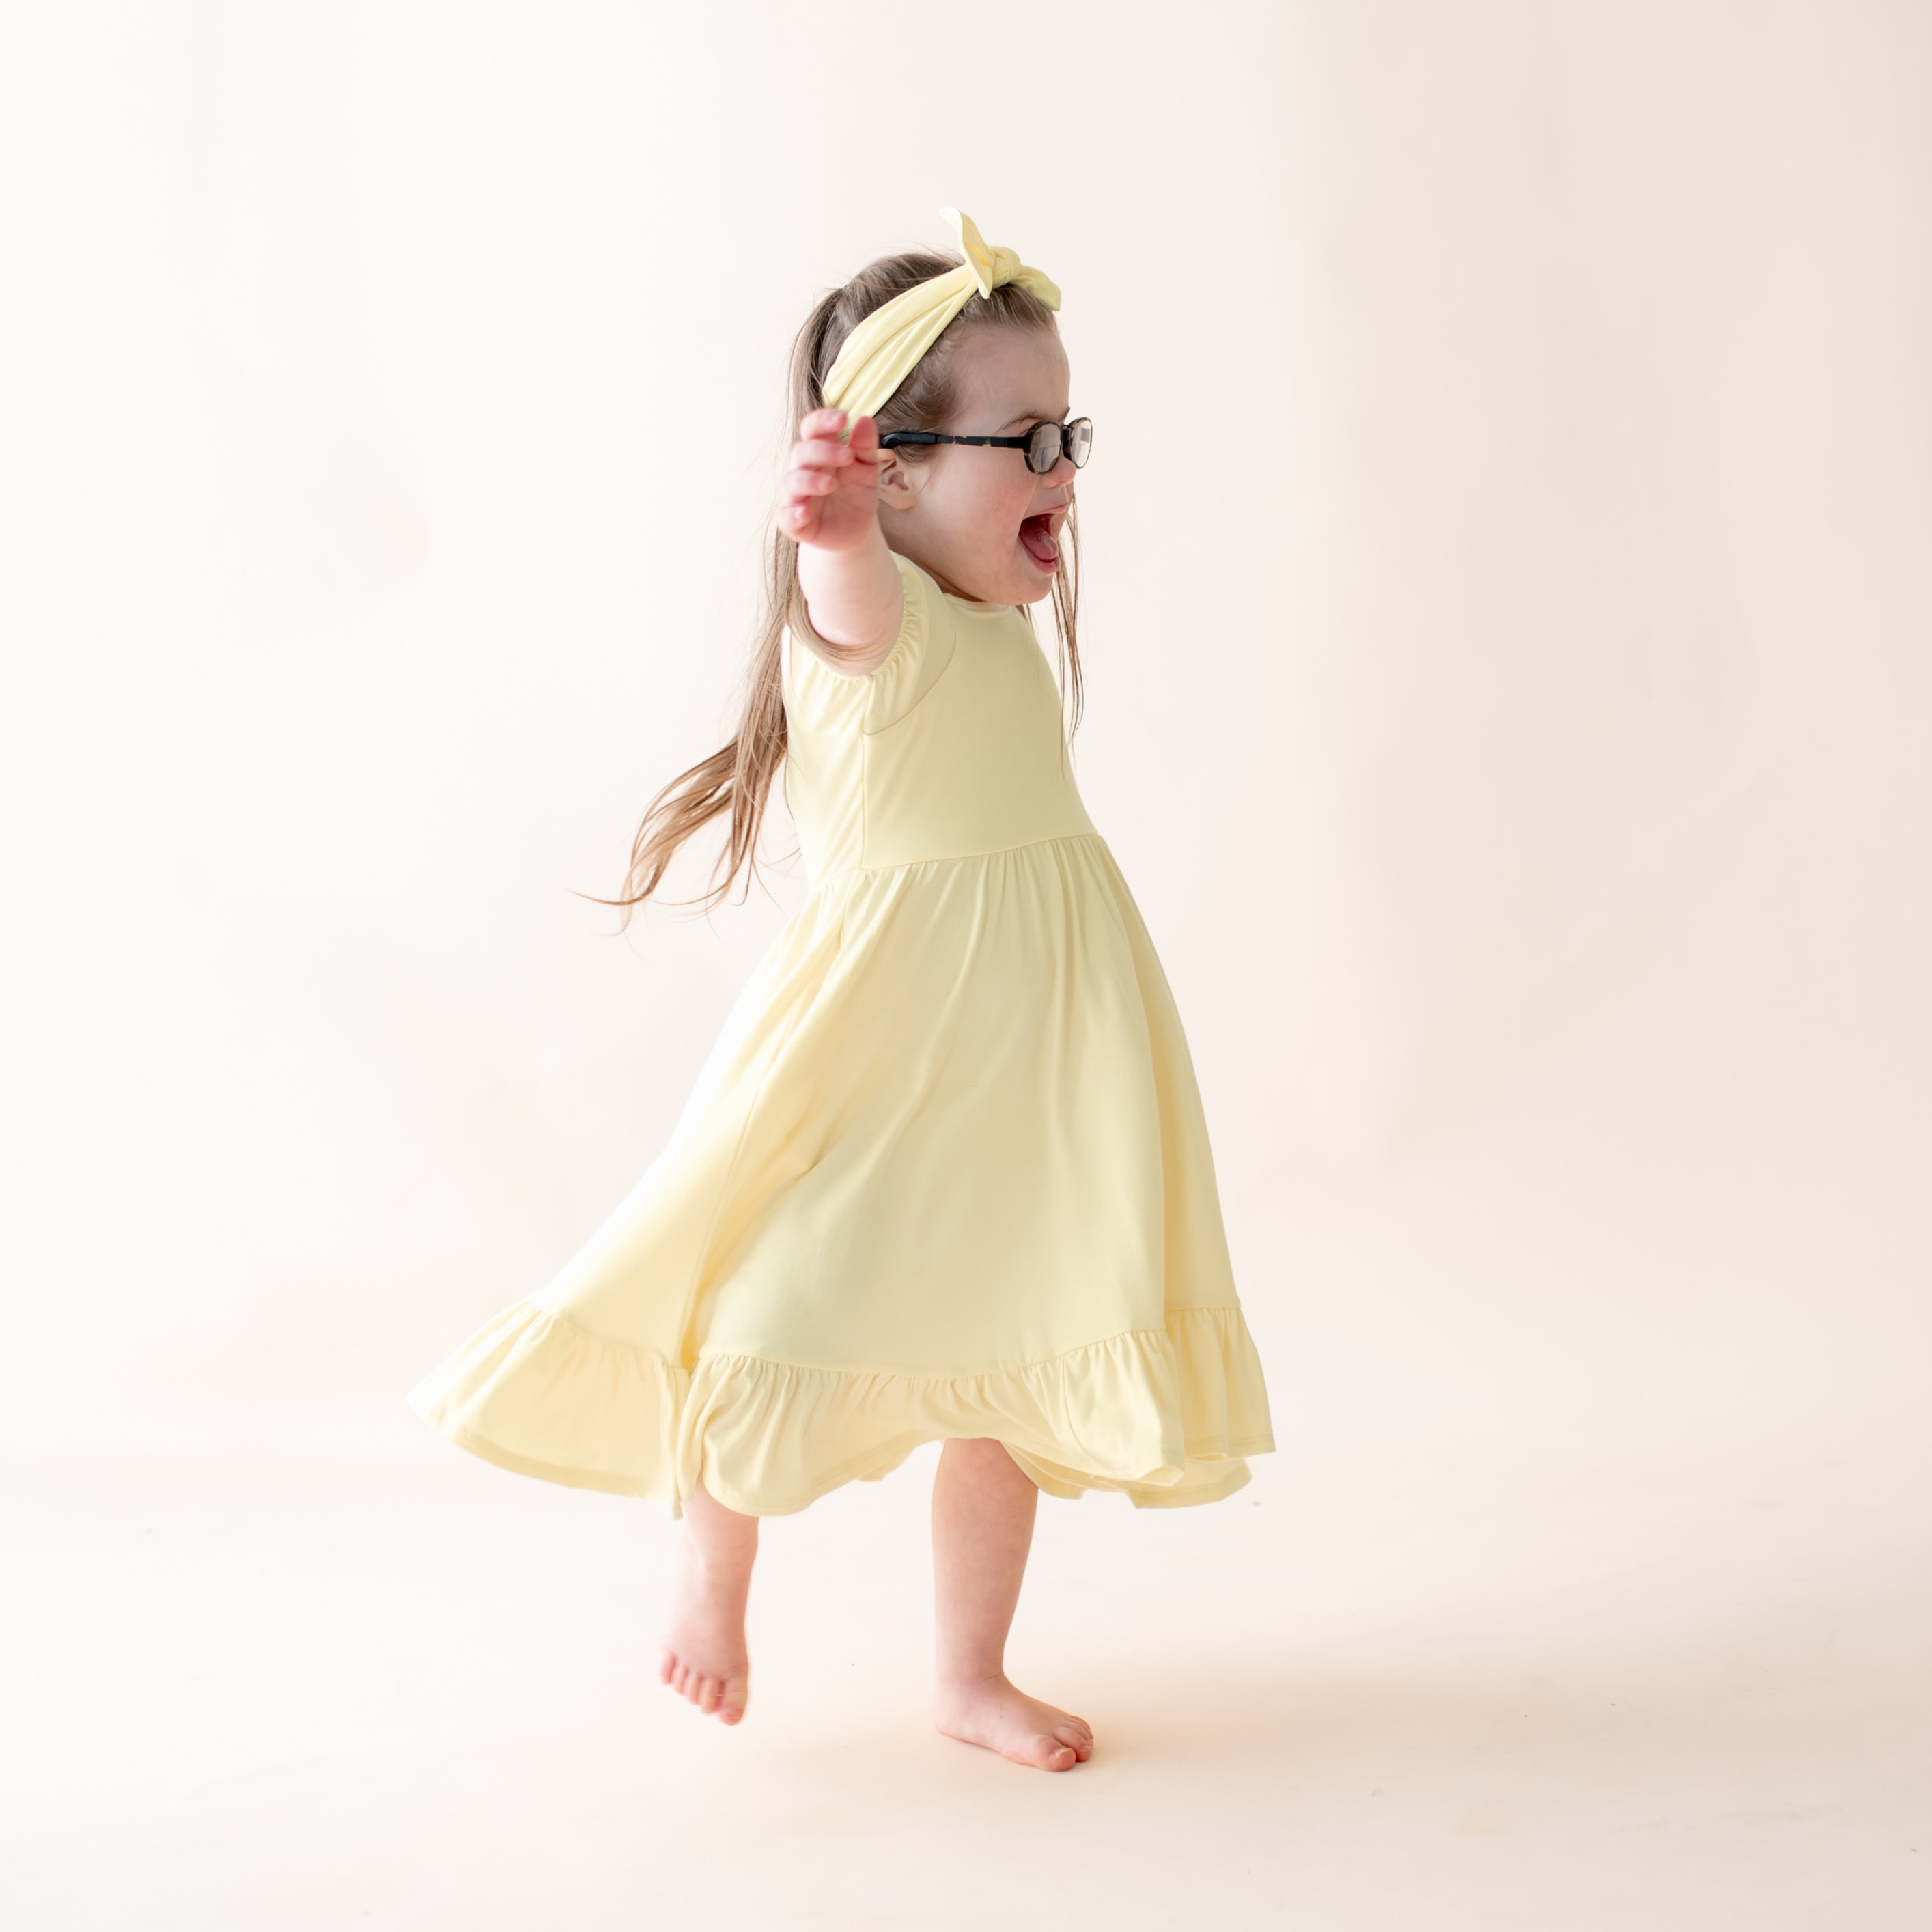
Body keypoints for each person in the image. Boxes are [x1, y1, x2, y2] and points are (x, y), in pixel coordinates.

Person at [410, 210, 1274, 1773]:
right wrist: (826, 529)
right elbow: (845, 592)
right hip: (883, 1064)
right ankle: (710, 1572)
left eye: (1069, 431)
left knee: (1007, 1380)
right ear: (886, 464)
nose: (1065, 471)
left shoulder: (993, 628)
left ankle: (967, 1671)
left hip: (1022, 1075)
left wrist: (897, 505)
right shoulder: (877, 631)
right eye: (1029, 441)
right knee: (776, 1316)